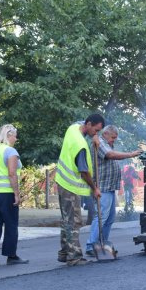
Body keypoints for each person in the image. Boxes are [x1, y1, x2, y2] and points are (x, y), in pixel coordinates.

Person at [55, 113, 104, 266]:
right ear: (88, 124)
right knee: (74, 222)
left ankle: (64, 253)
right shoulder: (80, 145)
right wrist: (94, 188)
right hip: (70, 187)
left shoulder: (73, 128)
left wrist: (94, 138)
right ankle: (74, 257)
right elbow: (84, 172)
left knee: (66, 220)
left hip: (62, 181)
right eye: (95, 131)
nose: (95, 134)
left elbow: (79, 122)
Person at [85, 126, 141, 257]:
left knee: (109, 218)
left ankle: (101, 244)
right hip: (102, 187)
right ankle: (90, 245)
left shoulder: (105, 142)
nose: (114, 141)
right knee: (101, 216)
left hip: (109, 187)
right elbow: (110, 155)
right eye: (113, 138)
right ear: (105, 134)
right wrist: (131, 154)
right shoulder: (99, 142)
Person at [0, 124, 28, 267]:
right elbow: (12, 173)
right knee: (11, 224)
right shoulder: (10, 151)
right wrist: (17, 194)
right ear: (8, 135)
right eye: (15, 135)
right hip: (6, 193)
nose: (16, 138)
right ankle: (11, 255)